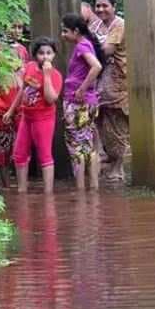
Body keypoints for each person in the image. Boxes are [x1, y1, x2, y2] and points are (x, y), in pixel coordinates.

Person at [4, 37, 63, 194]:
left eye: (49, 53)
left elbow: (51, 99)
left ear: (54, 55)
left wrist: (47, 76)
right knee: (19, 154)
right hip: (26, 117)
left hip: (43, 119)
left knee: (44, 154)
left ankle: (48, 194)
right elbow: (22, 90)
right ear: (35, 55)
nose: (45, 57)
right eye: (41, 53)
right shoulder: (29, 67)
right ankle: (22, 190)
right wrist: (11, 110)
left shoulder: (56, 75)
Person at [61, 13, 103, 191]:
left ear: (76, 31)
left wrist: (81, 89)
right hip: (86, 102)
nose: (62, 35)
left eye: (65, 31)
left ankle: (81, 190)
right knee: (87, 145)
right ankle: (93, 188)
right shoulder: (85, 45)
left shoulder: (82, 46)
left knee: (76, 146)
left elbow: (97, 66)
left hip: (79, 103)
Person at [91, 0, 129, 182]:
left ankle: (118, 167)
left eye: (105, 5)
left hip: (117, 81)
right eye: (98, 6)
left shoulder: (119, 25)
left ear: (114, 7)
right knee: (99, 120)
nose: (101, 9)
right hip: (99, 81)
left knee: (117, 123)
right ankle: (107, 158)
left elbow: (106, 50)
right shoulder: (95, 24)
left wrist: (88, 50)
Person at [0, 37, 28, 187]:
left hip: (19, 106)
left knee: (21, 146)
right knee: (0, 148)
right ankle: (6, 186)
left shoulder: (22, 49)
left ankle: (21, 184)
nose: (16, 30)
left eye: (20, 27)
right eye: (13, 26)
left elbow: (25, 77)